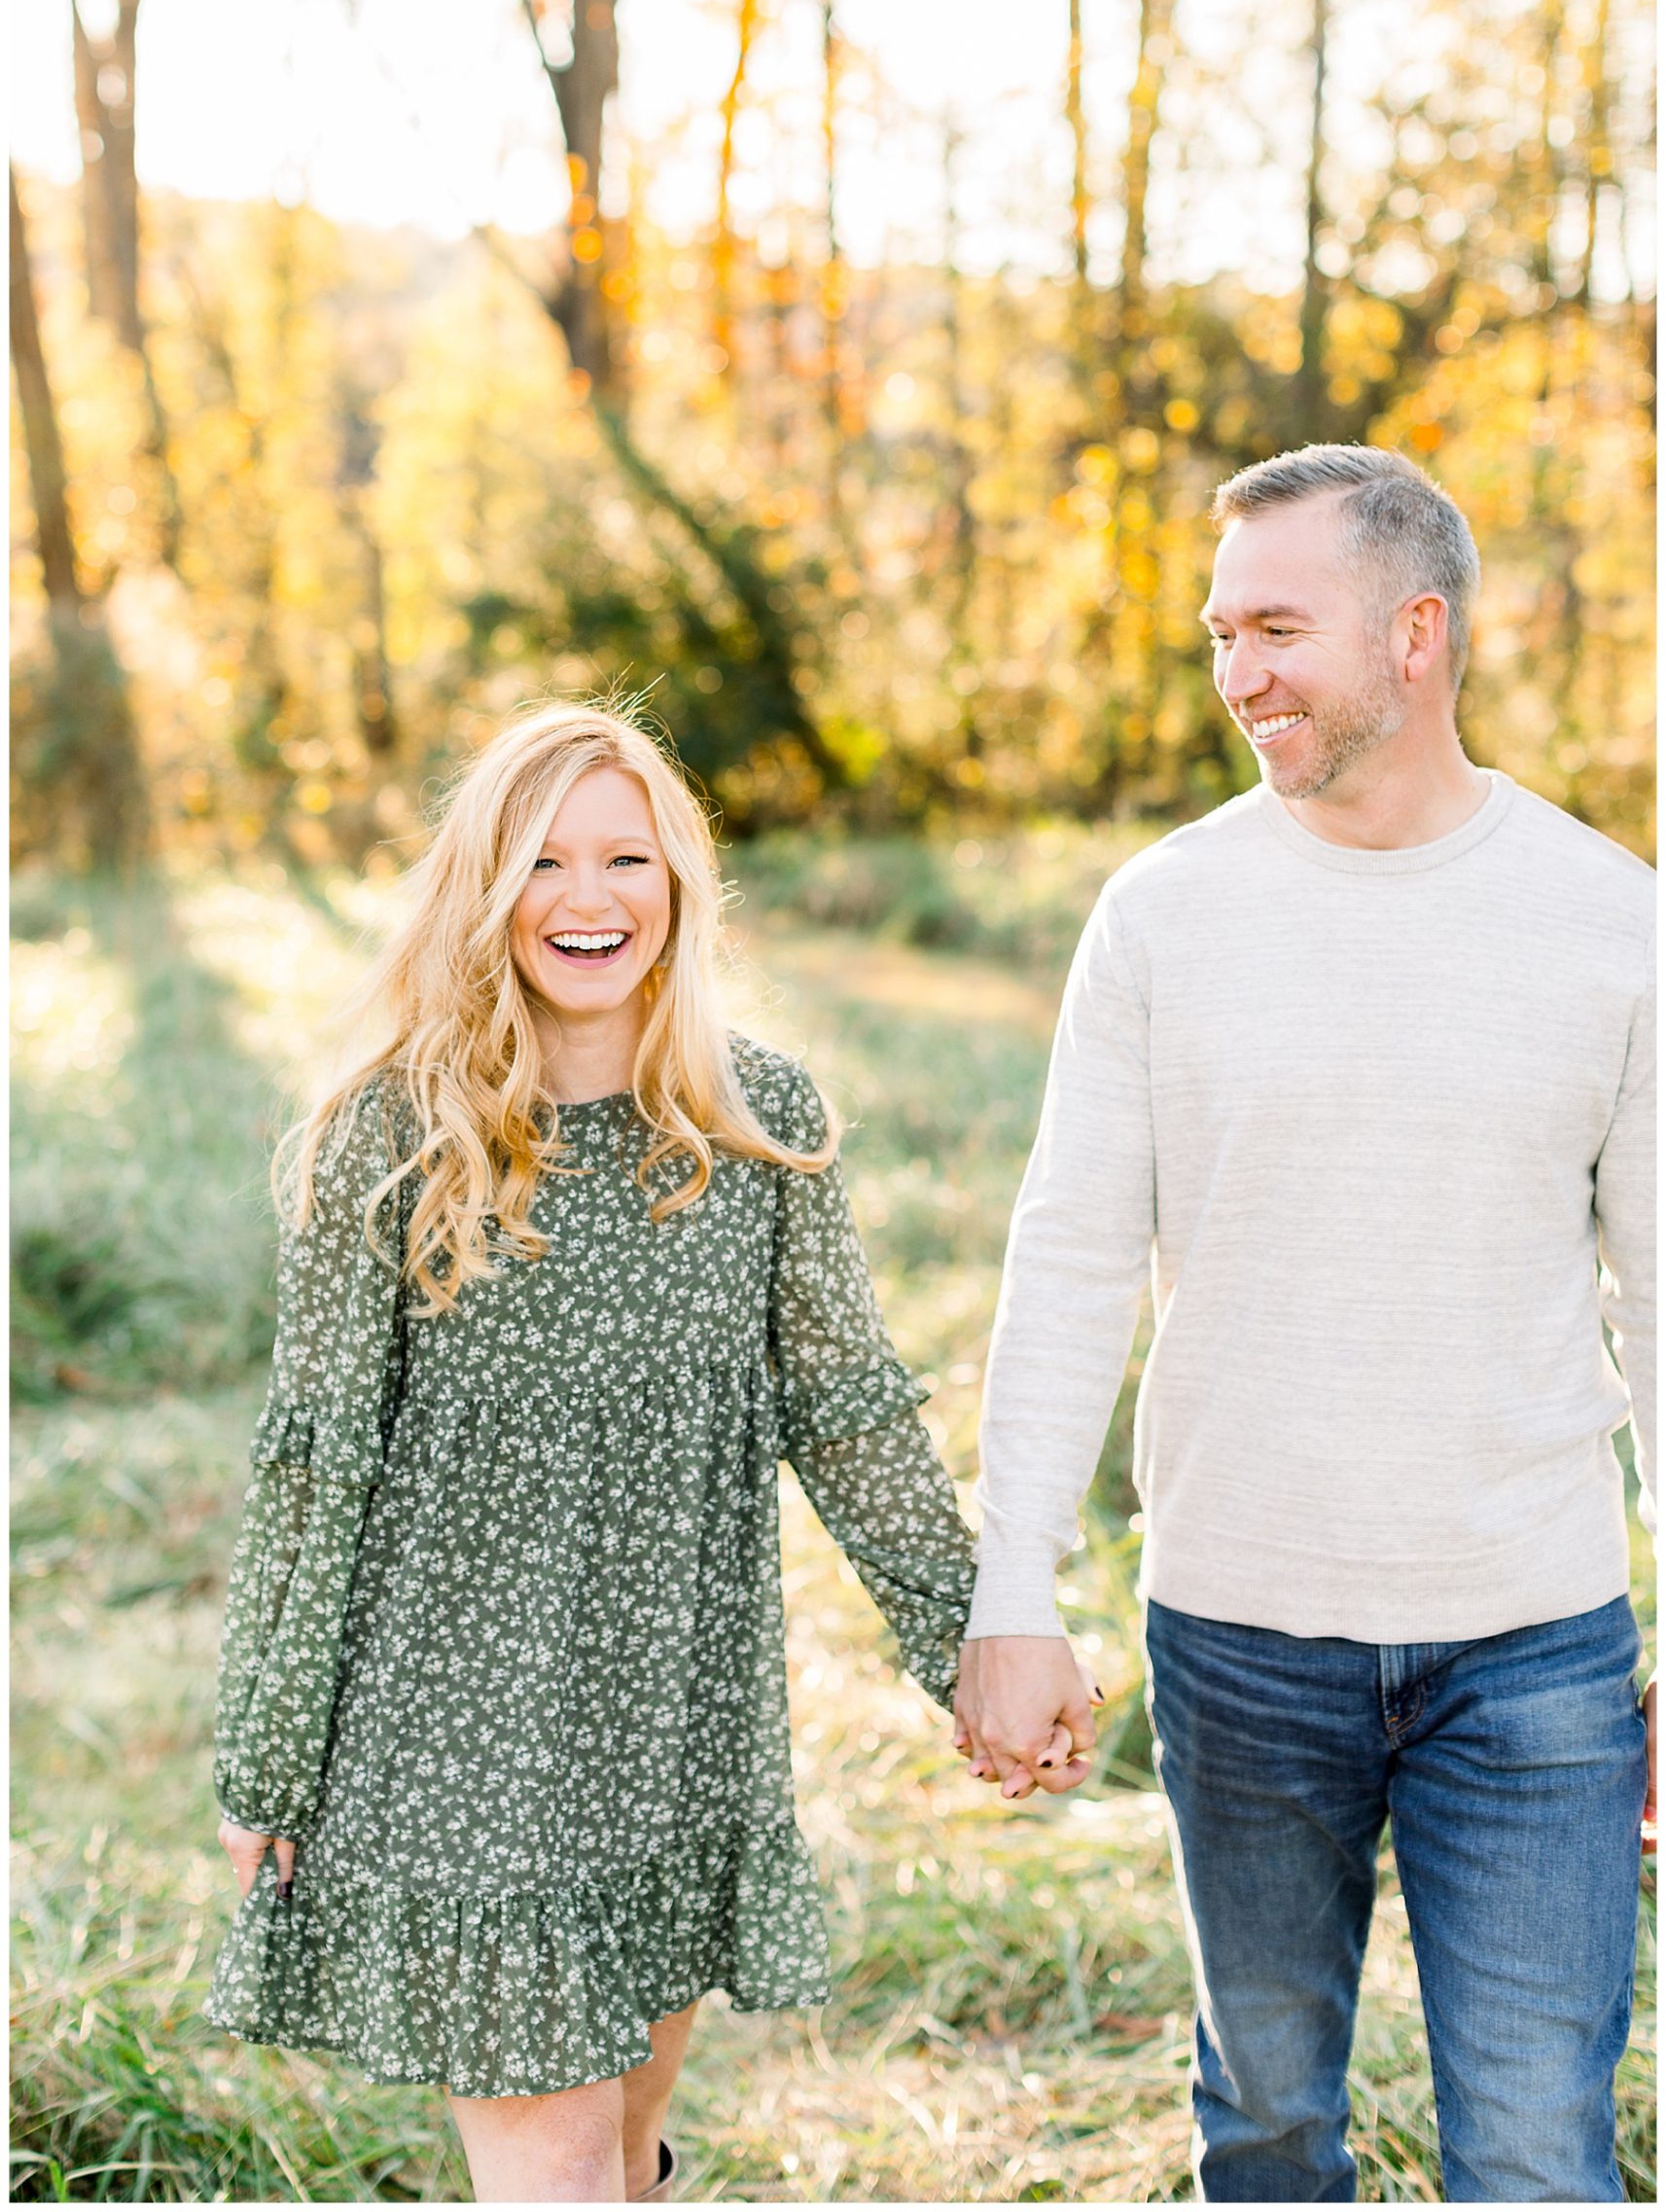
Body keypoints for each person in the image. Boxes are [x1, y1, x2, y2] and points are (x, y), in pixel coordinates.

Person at [954, 445, 1655, 2203]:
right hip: (1241, 1635)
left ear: (1416, 634)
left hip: (1535, 1648)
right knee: (1265, 2132)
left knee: (1537, 2160)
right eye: (1217, 634)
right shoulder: (1163, 916)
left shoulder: (1607, 925)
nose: (1235, 675)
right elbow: (1067, 1265)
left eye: (1276, 627)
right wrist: (1010, 1591)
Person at [205, 698, 977, 2205]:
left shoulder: (757, 1130)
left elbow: (846, 1409)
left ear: (680, 887)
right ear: (484, 890)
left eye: (626, 859)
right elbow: (314, 1465)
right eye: (543, 863)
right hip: (456, 1751)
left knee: (621, 2162)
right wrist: (266, 1758)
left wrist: (971, 1645)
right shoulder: (395, 1138)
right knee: (559, 2174)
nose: (587, 900)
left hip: (672, 1733)